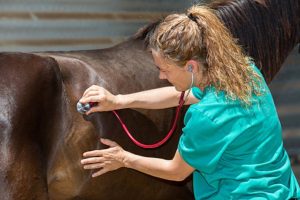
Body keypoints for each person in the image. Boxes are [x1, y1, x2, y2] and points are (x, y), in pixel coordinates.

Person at [79, 5, 300, 200]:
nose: (161, 77)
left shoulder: (206, 116)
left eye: (164, 70)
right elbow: (178, 96)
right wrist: (118, 100)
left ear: (191, 66)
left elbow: (176, 171)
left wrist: (123, 158)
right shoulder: (245, 72)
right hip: (283, 190)